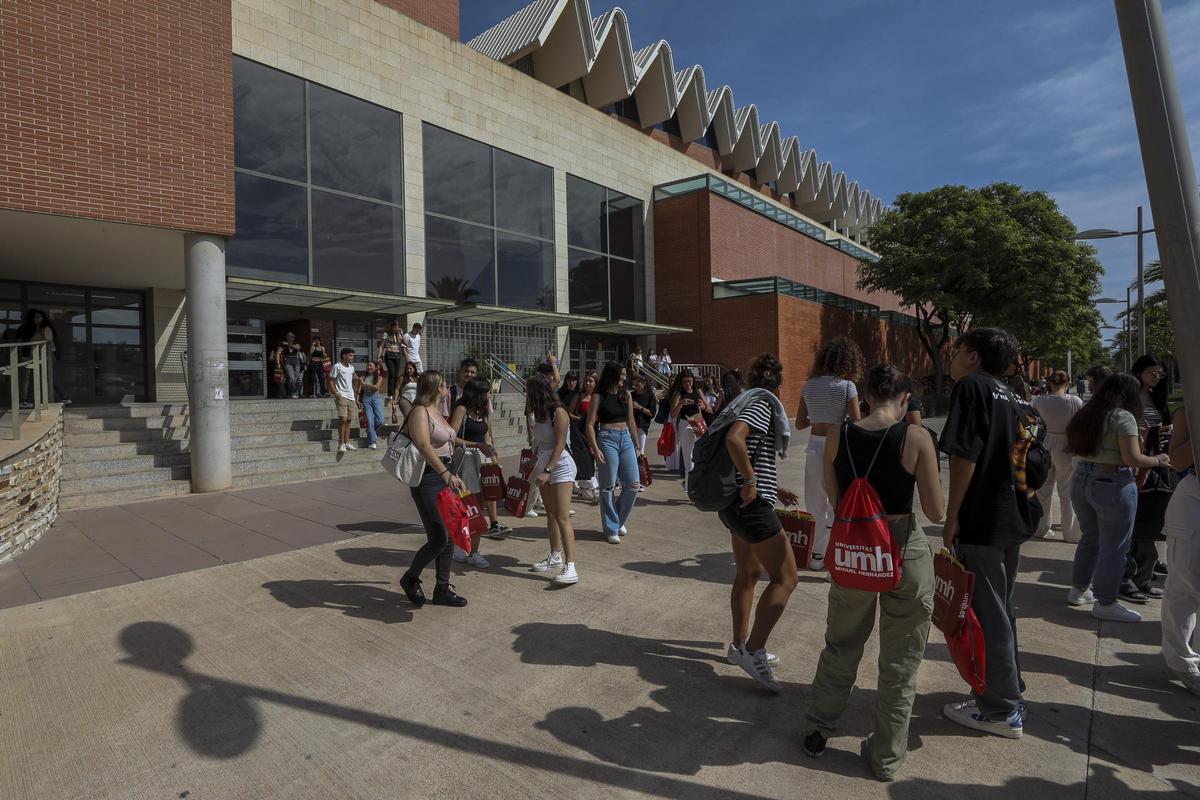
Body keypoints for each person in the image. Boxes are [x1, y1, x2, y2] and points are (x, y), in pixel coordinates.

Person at [803, 363, 944, 781]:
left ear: (865, 395)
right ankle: (885, 756)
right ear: (904, 400)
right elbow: (935, 510)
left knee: (841, 645)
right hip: (902, 548)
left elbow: (834, 494)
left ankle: (817, 730)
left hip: (853, 550)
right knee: (900, 662)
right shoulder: (916, 437)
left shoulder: (837, 435)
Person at [939, 327, 1036, 740]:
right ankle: (1009, 688)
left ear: (974, 356)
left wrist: (951, 515)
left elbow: (965, 456)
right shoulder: (1014, 398)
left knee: (990, 611)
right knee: (1002, 608)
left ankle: (1000, 708)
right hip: (1012, 516)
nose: (953, 358)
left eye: (958, 351)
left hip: (982, 519)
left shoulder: (971, 388)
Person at [720, 354, 798, 692]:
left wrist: (770, 485)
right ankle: (753, 650)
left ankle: (739, 646)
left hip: (736, 502)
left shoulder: (743, 400)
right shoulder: (763, 404)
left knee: (748, 574)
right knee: (787, 578)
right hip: (750, 503)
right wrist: (753, 482)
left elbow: (747, 449)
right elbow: (735, 440)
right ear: (779, 384)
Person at [1066, 372, 1170, 623]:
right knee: (1115, 547)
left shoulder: (1087, 414)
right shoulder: (1123, 417)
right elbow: (1133, 458)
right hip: (1112, 482)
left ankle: (1079, 589)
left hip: (1081, 478)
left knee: (1090, 539)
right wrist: (1158, 460)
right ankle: (1106, 601)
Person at [398, 371, 468, 609]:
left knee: (448, 535)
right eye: (445, 384)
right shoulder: (420, 411)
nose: (448, 387)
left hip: (444, 474)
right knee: (439, 537)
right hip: (428, 478)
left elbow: (446, 444)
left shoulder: (438, 412)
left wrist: (452, 473)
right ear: (437, 387)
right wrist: (444, 473)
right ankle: (410, 578)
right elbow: (423, 445)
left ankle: (442, 588)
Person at [795, 337, 864, 571]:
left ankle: (817, 554)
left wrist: (818, 414)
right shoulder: (847, 386)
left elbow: (800, 423)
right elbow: (856, 421)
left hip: (814, 445)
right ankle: (836, 553)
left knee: (815, 501)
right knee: (839, 501)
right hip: (838, 446)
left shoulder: (809, 385)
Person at [1122, 355, 1173, 602]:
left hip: (1156, 465)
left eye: (1160, 374)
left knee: (1148, 528)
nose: (1156, 377)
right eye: (1152, 372)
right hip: (1134, 465)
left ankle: (1142, 578)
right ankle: (1128, 580)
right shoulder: (1128, 398)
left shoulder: (1157, 397)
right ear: (1139, 371)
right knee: (1132, 529)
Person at [526, 374, 580, 585]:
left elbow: (559, 444)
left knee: (562, 517)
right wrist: (532, 461)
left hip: (561, 465)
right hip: (544, 463)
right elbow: (541, 444)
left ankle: (571, 567)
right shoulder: (538, 412)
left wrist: (547, 470)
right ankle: (555, 556)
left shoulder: (558, 411)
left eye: (529, 391)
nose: (526, 395)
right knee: (550, 514)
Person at [1161, 406, 1199, 695]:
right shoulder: (1190, 409)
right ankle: (1182, 661)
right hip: (1194, 500)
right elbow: (1177, 459)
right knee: (1185, 584)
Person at [449, 377, 510, 555]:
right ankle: (462, 544)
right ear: (477, 393)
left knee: (480, 504)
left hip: (482, 460)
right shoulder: (461, 409)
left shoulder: (481, 411)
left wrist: (493, 456)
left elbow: (486, 437)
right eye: (487, 392)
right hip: (466, 461)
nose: (490, 395)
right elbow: (451, 438)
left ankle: (472, 547)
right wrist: (476, 445)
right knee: (469, 503)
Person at [586, 361, 641, 545]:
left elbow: (632, 421)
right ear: (612, 375)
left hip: (626, 438)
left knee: (633, 484)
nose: (624, 378)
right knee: (608, 486)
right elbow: (589, 425)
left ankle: (617, 520)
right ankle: (611, 527)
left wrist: (636, 445)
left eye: (625, 375)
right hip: (606, 439)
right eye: (622, 375)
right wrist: (595, 448)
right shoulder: (598, 396)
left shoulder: (626, 395)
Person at [1032, 370, 1083, 542]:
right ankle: (1069, 533)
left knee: (1043, 489)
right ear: (1068, 384)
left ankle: (1041, 528)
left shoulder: (1039, 401)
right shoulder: (1075, 401)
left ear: (1049, 383)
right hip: (1066, 445)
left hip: (1045, 443)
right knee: (1066, 490)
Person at [16, 308, 70, 405]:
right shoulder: (37, 329)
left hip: (47, 356)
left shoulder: (46, 328)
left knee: (51, 378)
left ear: (43, 318)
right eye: (35, 317)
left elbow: (48, 340)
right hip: (38, 356)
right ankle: (29, 400)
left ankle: (65, 397)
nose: (36, 319)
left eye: (38, 317)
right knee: (37, 377)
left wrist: (39, 343)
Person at [669, 370, 709, 490]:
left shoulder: (698, 391)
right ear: (681, 383)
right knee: (688, 456)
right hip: (685, 424)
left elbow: (708, 408)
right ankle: (690, 487)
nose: (688, 384)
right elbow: (672, 414)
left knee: (702, 453)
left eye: (690, 381)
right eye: (685, 382)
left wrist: (703, 406)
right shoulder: (679, 394)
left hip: (698, 422)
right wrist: (681, 403)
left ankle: (693, 483)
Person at [327, 348, 361, 453]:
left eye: (353, 355)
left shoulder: (351, 368)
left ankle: (347, 442)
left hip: (351, 396)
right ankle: (341, 443)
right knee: (343, 419)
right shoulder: (337, 366)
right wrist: (335, 393)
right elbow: (330, 380)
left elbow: (353, 379)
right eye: (350, 355)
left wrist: (355, 395)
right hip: (341, 395)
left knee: (349, 420)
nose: (352, 357)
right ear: (344, 356)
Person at [358, 360, 386, 450]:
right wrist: (357, 400)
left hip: (376, 398)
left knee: (381, 420)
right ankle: (372, 442)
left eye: (371, 366)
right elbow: (358, 390)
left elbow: (376, 387)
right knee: (370, 421)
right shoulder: (362, 377)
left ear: (375, 367)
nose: (369, 367)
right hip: (366, 399)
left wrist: (365, 385)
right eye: (368, 366)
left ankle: (371, 431)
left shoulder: (379, 377)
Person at [378, 319, 405, 399]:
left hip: (397, 355)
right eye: (395, 326)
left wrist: (402, 335)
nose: (397, 328)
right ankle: (390, 393)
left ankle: (397, 392)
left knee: (397, 375)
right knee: (392, 374)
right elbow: (381, 346)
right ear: (392, 327)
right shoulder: (386, 334)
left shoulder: (399, 335)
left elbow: (406, 344)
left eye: (398, 326)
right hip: (389, 355)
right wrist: (379, 356)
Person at [630, 374, 656, 456]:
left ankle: (641, 468)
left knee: (640, 451)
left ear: (644, 383)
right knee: (631, 451)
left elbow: (652, 413)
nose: (636, 386)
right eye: (634, 385)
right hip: (631, 425)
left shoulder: (649, 395)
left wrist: (639, 407)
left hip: (642, 426)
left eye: (638, 384)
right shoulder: (632, 394)